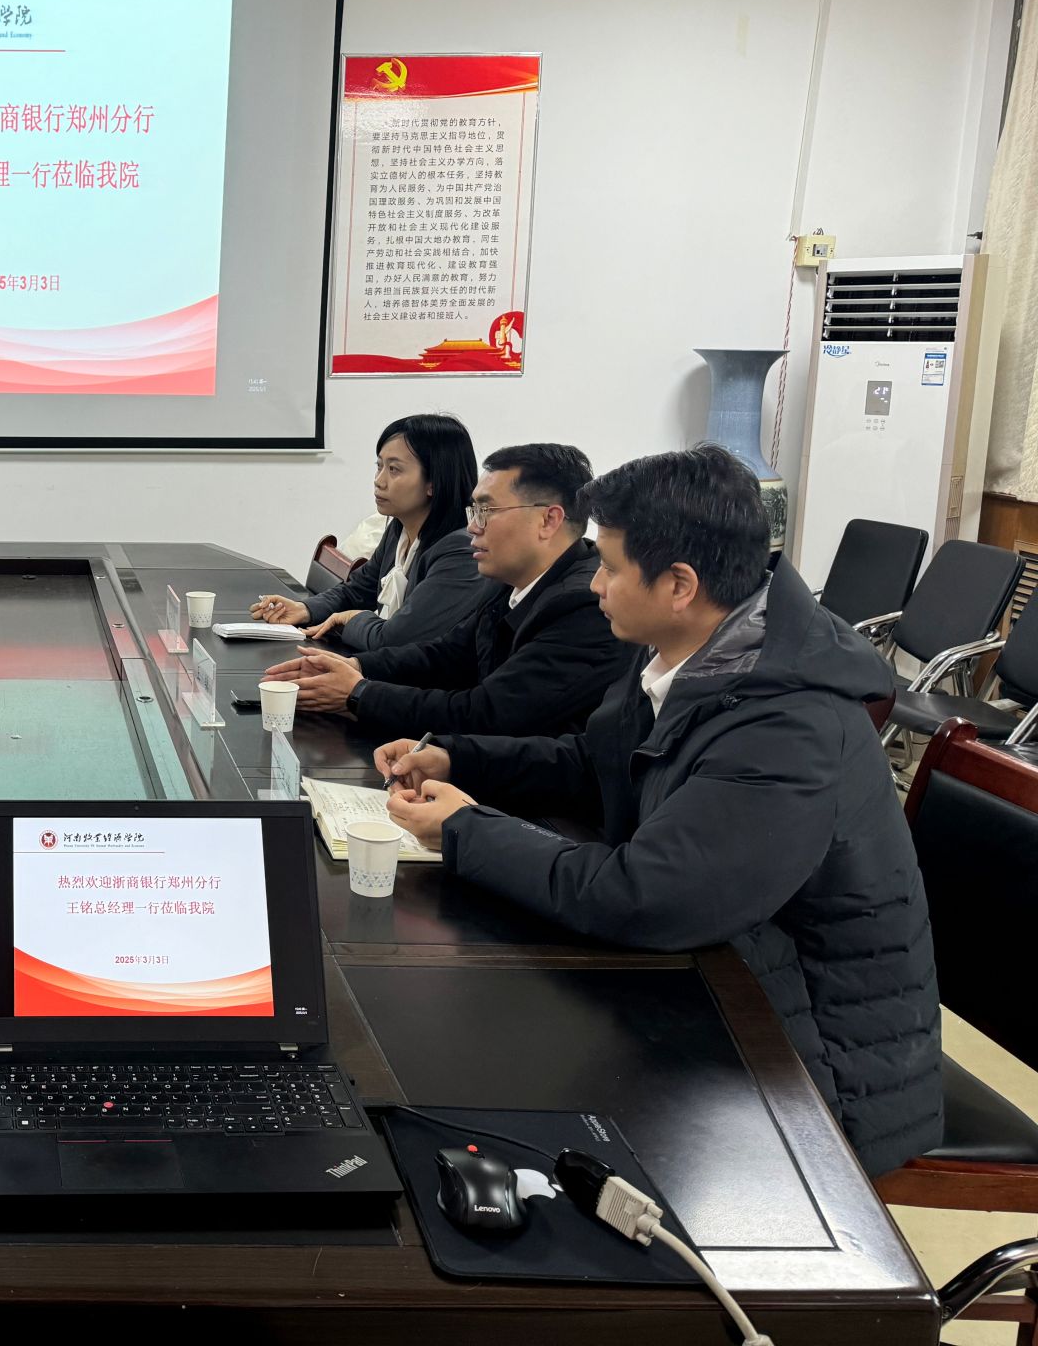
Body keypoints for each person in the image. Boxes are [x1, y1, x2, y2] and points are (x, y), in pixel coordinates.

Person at [379, 446, 941, 1175]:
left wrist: (463, 829)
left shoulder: (788, 724)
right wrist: (458, 760)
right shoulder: (693, 655)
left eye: (610, 567)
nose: (594, 582)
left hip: (807, 1069)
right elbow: (594, 764)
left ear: (679, 585)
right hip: (719, 983)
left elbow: (643, 896)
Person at [260, 444, 634, 739]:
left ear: (548, 520)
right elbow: (448, 655)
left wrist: (358, 694)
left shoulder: (583, 605)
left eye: (487, 511)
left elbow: (488, 714)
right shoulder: (511, 582)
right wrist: (356, 667)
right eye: (474, 511)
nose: (473, 527)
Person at [252, 414, 490, 651]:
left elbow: (395, 639)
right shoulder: (399, 528)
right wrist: (305, 609)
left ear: (434, 482)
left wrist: (350, 619)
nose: (379, 481)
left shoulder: (461, 551)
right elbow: (357, 591)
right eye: (379, 466)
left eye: (394, 469)